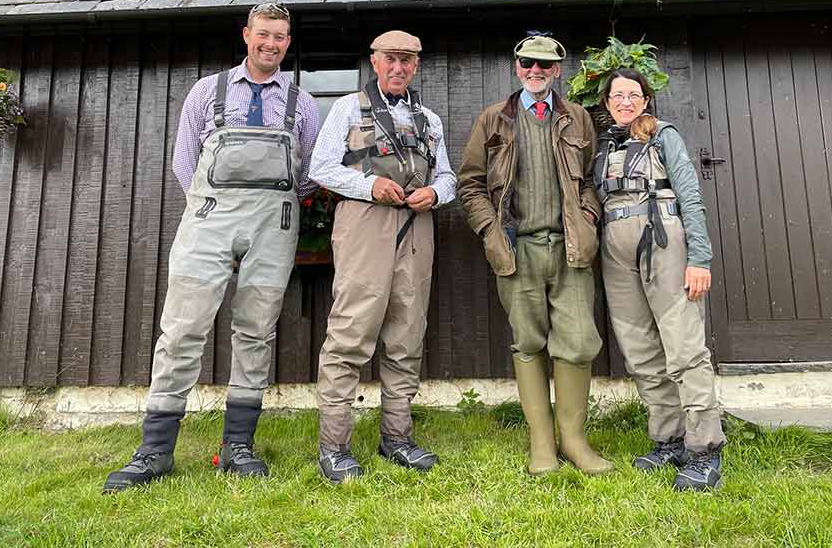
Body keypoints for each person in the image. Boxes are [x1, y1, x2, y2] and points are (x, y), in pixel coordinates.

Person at [103, 3, 320, 493]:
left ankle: (237, 446)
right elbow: (185, 163)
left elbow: (306, 175)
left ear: (288, 42)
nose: (272, 44)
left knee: (256, 332)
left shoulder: (303, 103)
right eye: (264, 34)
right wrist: (215, 208)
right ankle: (155, 450)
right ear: (247, 35)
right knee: (181, 330)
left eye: (281, 37)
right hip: (208, 221)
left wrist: (271, 208)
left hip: (273, 226)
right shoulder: (208, 91)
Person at [457, 31, 612, 477]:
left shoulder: (578, 117)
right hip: (516, 247)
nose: (535, 71)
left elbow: (587, 180)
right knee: (528, 343)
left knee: (578, 343)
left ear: (557, 71)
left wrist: (587, 216)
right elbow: (470, 184)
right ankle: (542, 444)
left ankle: (575, 442)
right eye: (528, 63)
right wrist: (490, 231)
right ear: (517, 66)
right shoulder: (493, 119)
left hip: (570, 248)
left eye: (544, 65)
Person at [309, 29, 456, 484]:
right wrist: (370, 186)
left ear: (415, 65)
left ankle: (397, 437)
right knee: (351, 332)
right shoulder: (347, 108)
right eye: (390, 59)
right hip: (364, 226)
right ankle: (333, 447)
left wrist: (435, 192)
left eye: (407, 61)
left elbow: (448, 175)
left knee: (407, 333)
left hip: (418, 227)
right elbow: (321, 167)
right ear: (374, 61)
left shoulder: (429, 119)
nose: (398, 68)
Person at [593, 68, 725, 491]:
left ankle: (705, 449)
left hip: (665, 244)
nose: (626, 101)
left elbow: (690, 196)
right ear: (608, 102)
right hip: (616, 252)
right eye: (618, 95)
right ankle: (668, 439)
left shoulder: (664, 135)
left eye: (634, 94)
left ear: (646, 99)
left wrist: (699, 258)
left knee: (684, 346)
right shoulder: (603, 147)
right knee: (640, 349)